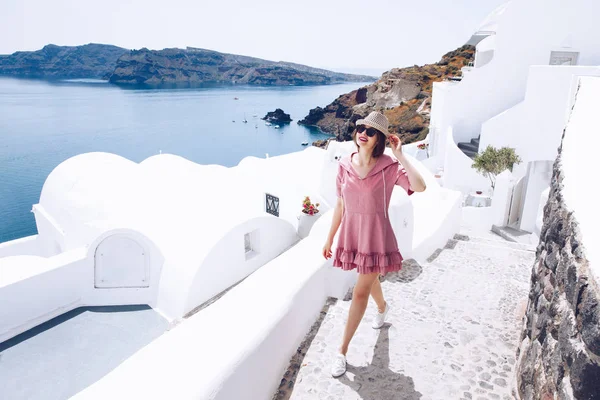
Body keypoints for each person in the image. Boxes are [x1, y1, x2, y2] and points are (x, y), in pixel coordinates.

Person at [322, 111, 427, 378]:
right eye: (361, 128)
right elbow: (340, 205)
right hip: (352, 233)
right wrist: (329, 238)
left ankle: (341, 351)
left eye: (370, 131)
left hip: (376, 234)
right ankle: (382, 307)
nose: (363, 133)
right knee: (368, 279)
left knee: (359, 291)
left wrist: (401, 155)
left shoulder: (388, 167)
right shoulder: (344, 164)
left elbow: (420, 186)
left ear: (379, 138)